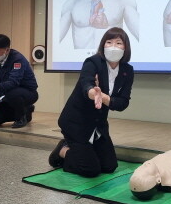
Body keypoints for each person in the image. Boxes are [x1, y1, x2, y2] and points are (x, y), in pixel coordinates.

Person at [49, 27, 134, 177]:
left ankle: (84, 150)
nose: (113, 46)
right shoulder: (93, 62)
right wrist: (93, 93)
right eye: (109, 42)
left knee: (109, 166)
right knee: (91, 170)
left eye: (119, 43)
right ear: (103, 45)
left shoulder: (127, 70)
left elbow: (123, 102)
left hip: (98, 124)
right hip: (75, 122)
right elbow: (86, 84)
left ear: (125, 47)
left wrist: (106, 98)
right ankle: (63, 150)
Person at [0, 34, 38, 128]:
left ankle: (21, 118)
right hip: (10, 93)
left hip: (27, 93)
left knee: (12, 93)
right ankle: (27, 112)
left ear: (7, 50)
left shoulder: (17, 59)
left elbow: (14, 82)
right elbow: (0, 79)